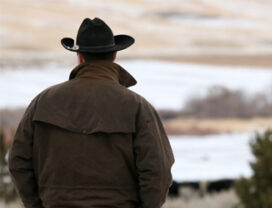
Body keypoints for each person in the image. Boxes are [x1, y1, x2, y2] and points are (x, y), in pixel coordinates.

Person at [8, 17, 174, 208]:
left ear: (79, 57)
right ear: (115, 54)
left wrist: (36, 205)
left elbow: (18, 161)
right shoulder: (137, 106)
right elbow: (158, 171)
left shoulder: (42, 102)